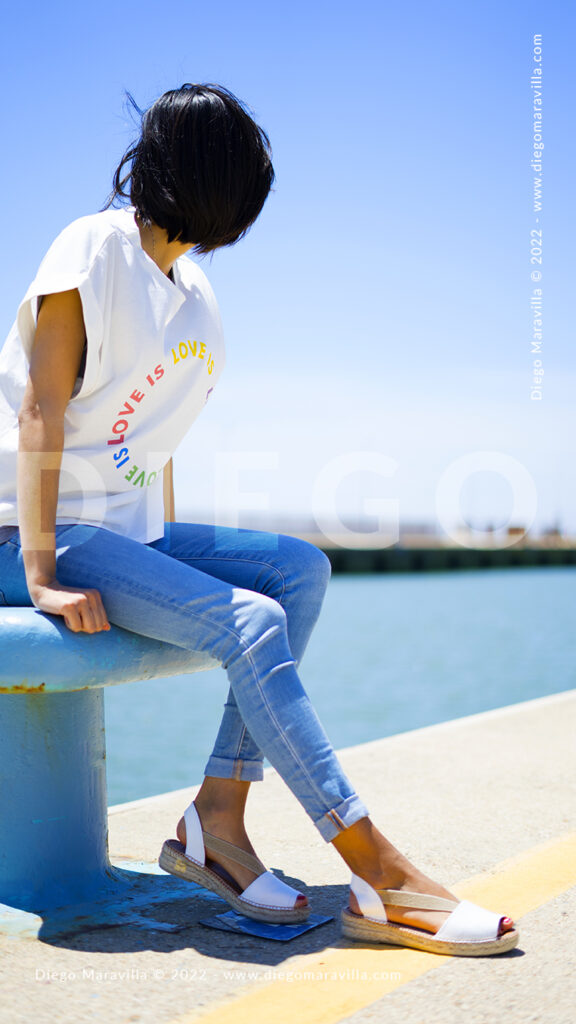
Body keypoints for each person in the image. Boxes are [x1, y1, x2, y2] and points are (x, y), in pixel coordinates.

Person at [0, 83, 518, 955]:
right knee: (251, 618)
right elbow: (41, 411)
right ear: (204, 177)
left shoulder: (195, 295)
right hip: (32, 535)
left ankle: (217, 821)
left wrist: (169, 561)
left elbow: (152, 439)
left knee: (297, 570)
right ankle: (380, 873)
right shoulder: (91, 249)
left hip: (125, 536)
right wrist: (43, 574)